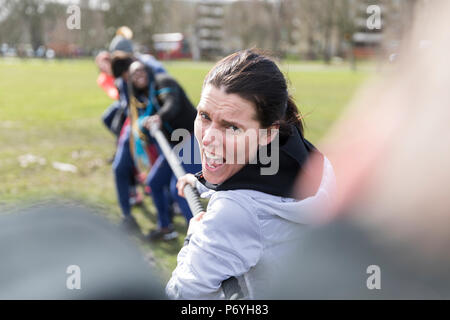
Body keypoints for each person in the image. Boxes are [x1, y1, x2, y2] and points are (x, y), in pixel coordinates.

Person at [166, 49, 336, 299]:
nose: (208, 137)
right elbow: (257, 181)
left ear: (268, 133)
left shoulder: (233, 211)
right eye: (204, 116)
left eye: (231, 127)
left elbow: (182, 295)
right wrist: (200, 182)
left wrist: (194, 237)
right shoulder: (312, 159)